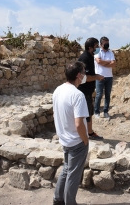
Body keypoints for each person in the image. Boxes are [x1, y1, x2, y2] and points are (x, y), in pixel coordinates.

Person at [52, 61, 89, 205]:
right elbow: (79, 124)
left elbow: (55, 115)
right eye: (84, 72)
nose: (85, 75)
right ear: (79, 75)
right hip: (76, 141)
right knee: (73, 176)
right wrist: (85, 139)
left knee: (66, 169)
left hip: (65, 140)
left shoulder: (58, 90)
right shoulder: (78, 95)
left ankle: (58, 199)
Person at [77, 38, 104, 140]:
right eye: (96, 46)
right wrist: (97, 77)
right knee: (86, 113)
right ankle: (88, 133)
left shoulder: (89, 56)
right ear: (90, 48)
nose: (98, 48)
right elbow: (84, 78)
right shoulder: (85, 58)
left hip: (87, 91)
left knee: (88, 112)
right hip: (83, 91)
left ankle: (88, 132)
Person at [94, 36, 116, 118]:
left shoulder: (111, 53)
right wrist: (108, 62)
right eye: (105, 43)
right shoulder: (97, 51)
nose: (107, 44)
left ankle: (106, 111)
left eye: (108, 43)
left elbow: (113, 64)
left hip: (109, 76)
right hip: (99, 76)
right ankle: (96, 112)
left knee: (107, 95)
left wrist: (104, 63)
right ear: (101, 44)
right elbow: (98, 61)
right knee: (99, 95)